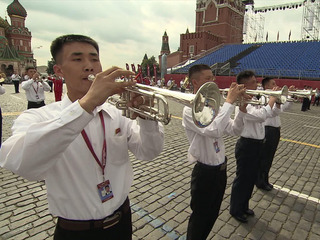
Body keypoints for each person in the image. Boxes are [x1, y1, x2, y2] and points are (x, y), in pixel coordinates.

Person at [0, 34, 164, 240]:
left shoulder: (115, 112)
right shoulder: (39, 117)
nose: (89, 66)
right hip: (75, 232)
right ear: (58, 71)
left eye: (94, 59)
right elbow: (22, 164)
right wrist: (87, 104)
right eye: (77, 59)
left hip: (122, 223)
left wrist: (147, 119)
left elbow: (149, 152)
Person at [182, 64, 247, 240]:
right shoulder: (189, 110)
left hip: (220, 170)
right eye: (207, 79)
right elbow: (213, 130)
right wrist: (229, 102)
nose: (213, 82)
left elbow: (234, 130)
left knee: (212, 216)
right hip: (205, 173)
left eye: (213, 77)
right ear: (195, 83)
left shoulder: (214, 106)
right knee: (199, 219)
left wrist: (241, 109)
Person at [229, 70, 278, 223]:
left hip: (258, 144)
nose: (257, 84)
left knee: (250, 179)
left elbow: (270, 113)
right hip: (247, 145)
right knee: (242, 179)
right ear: (244, 85)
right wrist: (272, 99)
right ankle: (236, 208)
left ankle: (244, 205)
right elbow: (261, 115)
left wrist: (276, 100)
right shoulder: (243, 104)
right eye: (252, 82)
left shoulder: (258, 98)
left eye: (256, 81)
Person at [255, 77, 293, 191]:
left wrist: (288, 95)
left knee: (269, 157)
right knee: (265, 157)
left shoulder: (274, 96)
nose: (276, 85)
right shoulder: (263, 97)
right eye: (273, 84)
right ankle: (260, 181)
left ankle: (265, 179)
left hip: (275, 129)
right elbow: (269, 113)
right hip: (267, 129)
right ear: (267, 86)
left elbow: (283, 108)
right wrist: (274, 98)